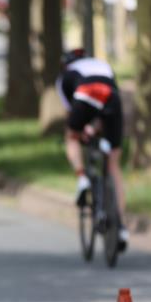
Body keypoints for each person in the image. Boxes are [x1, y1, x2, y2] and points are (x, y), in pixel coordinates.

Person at [56, 48, 129, 250]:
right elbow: (106, 96)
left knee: (71, 137)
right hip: (111, 97)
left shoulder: (64, 77)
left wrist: (80, 130)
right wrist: (95, 126)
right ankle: (121, 226)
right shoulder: (103, 66)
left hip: (84, 93)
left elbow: (71, 112)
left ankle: (82, 179)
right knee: (114, 164)